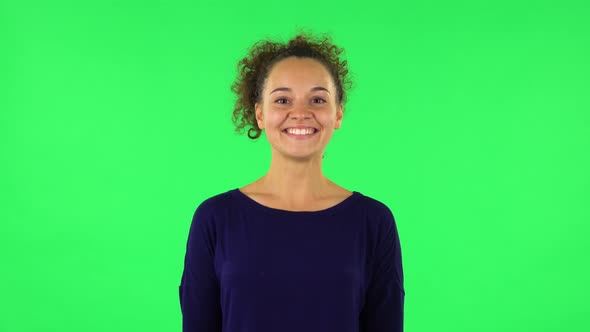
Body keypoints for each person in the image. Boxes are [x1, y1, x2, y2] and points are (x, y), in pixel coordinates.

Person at [179, 29, 405, 332]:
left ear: (338, 114)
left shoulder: (374, 222)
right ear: (259, 114)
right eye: (283, 100)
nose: (300, 113)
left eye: (317, 99)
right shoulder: (215, 219)